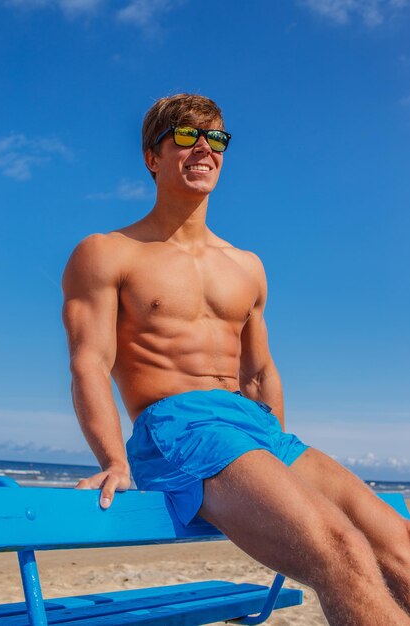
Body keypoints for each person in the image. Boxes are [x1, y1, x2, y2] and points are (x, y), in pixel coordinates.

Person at [62, 93, 410, 626]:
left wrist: (275, 464)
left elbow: (260, 372)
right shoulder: (108, 252)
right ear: (152, 157)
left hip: (256, 429)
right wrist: (113, 459)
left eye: (216, 138)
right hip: (180, 426)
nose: (204, 148)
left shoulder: (246, 265)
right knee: (339, 549)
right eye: (185, 136)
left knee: (397, 544)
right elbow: (90, 361)